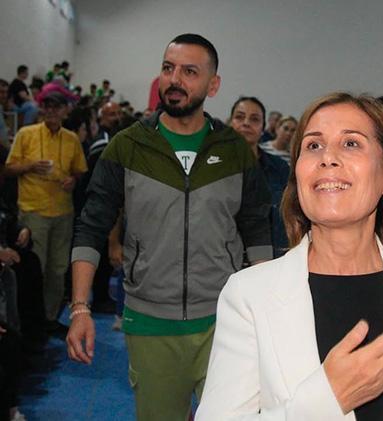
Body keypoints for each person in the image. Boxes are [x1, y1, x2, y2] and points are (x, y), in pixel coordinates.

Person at [196, 92, 383, 420]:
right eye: (313, 145)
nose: (327, 157)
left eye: (351, 143)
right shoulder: (248, 295)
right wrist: (329, 398)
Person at [66, 33, 272, 420]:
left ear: (213, 85)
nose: (175, 80)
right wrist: (80, 308)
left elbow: (257, 230)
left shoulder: (233, 151)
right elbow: (91, 227)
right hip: (150, 323)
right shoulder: (127, 147)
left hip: (225, 321)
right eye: (168, 68)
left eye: (189, 72)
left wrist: (266, 310)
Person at [4, 91, 87, 332]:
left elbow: (79, 171)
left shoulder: (71, 139)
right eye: (47, 106)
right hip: (33, 210)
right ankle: (32, 322)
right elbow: (8, 169)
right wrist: (30, 166)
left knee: (58, 269)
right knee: (35, 269)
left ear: (65, 111)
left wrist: (73, 180)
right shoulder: (26, 134)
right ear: (42, 109)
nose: (51, 111)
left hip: (63, 211)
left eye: (56, 107)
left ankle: (49, 319)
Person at [228, 96, 290, 258]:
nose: (246, 123)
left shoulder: (280, 168)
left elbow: (289, 215)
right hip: (223, 260)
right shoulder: (211, 167)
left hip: (270, 258)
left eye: (254, 119)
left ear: (263, 128)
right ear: (230, 123)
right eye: (239, 117)